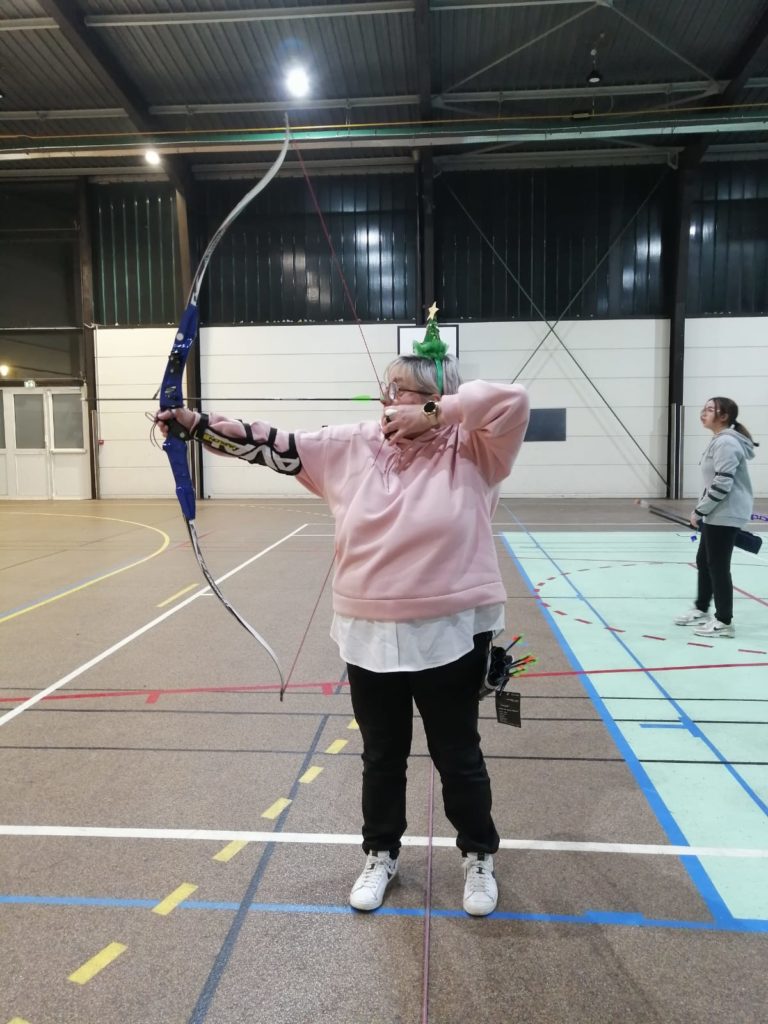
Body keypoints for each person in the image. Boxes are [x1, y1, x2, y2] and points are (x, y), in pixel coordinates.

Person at [157, 324, 530, 917]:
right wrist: (197, 425)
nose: (390, 400)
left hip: (453, 630)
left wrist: (438, 416)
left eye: (406, 392)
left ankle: (478, 856)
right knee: (381, 755)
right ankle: (380, 854)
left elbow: (513, 398)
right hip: (368, 631)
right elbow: (276, 445)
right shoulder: (354, 443)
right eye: (388, 389)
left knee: (457, 754)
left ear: (438, 397)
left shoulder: (477, 447)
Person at [675, 397, 756, 638]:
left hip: (725, 513)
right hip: (716, 512)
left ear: (724, 416)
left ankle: (724, 622)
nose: (703, 413)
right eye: (704, 409)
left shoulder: (726, 442)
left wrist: (700, 511)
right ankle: (702, 609)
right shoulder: (719, 440)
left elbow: (722, 483)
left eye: (710, 409)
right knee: (704, 561)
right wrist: (703, 509)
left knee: (718, 567)